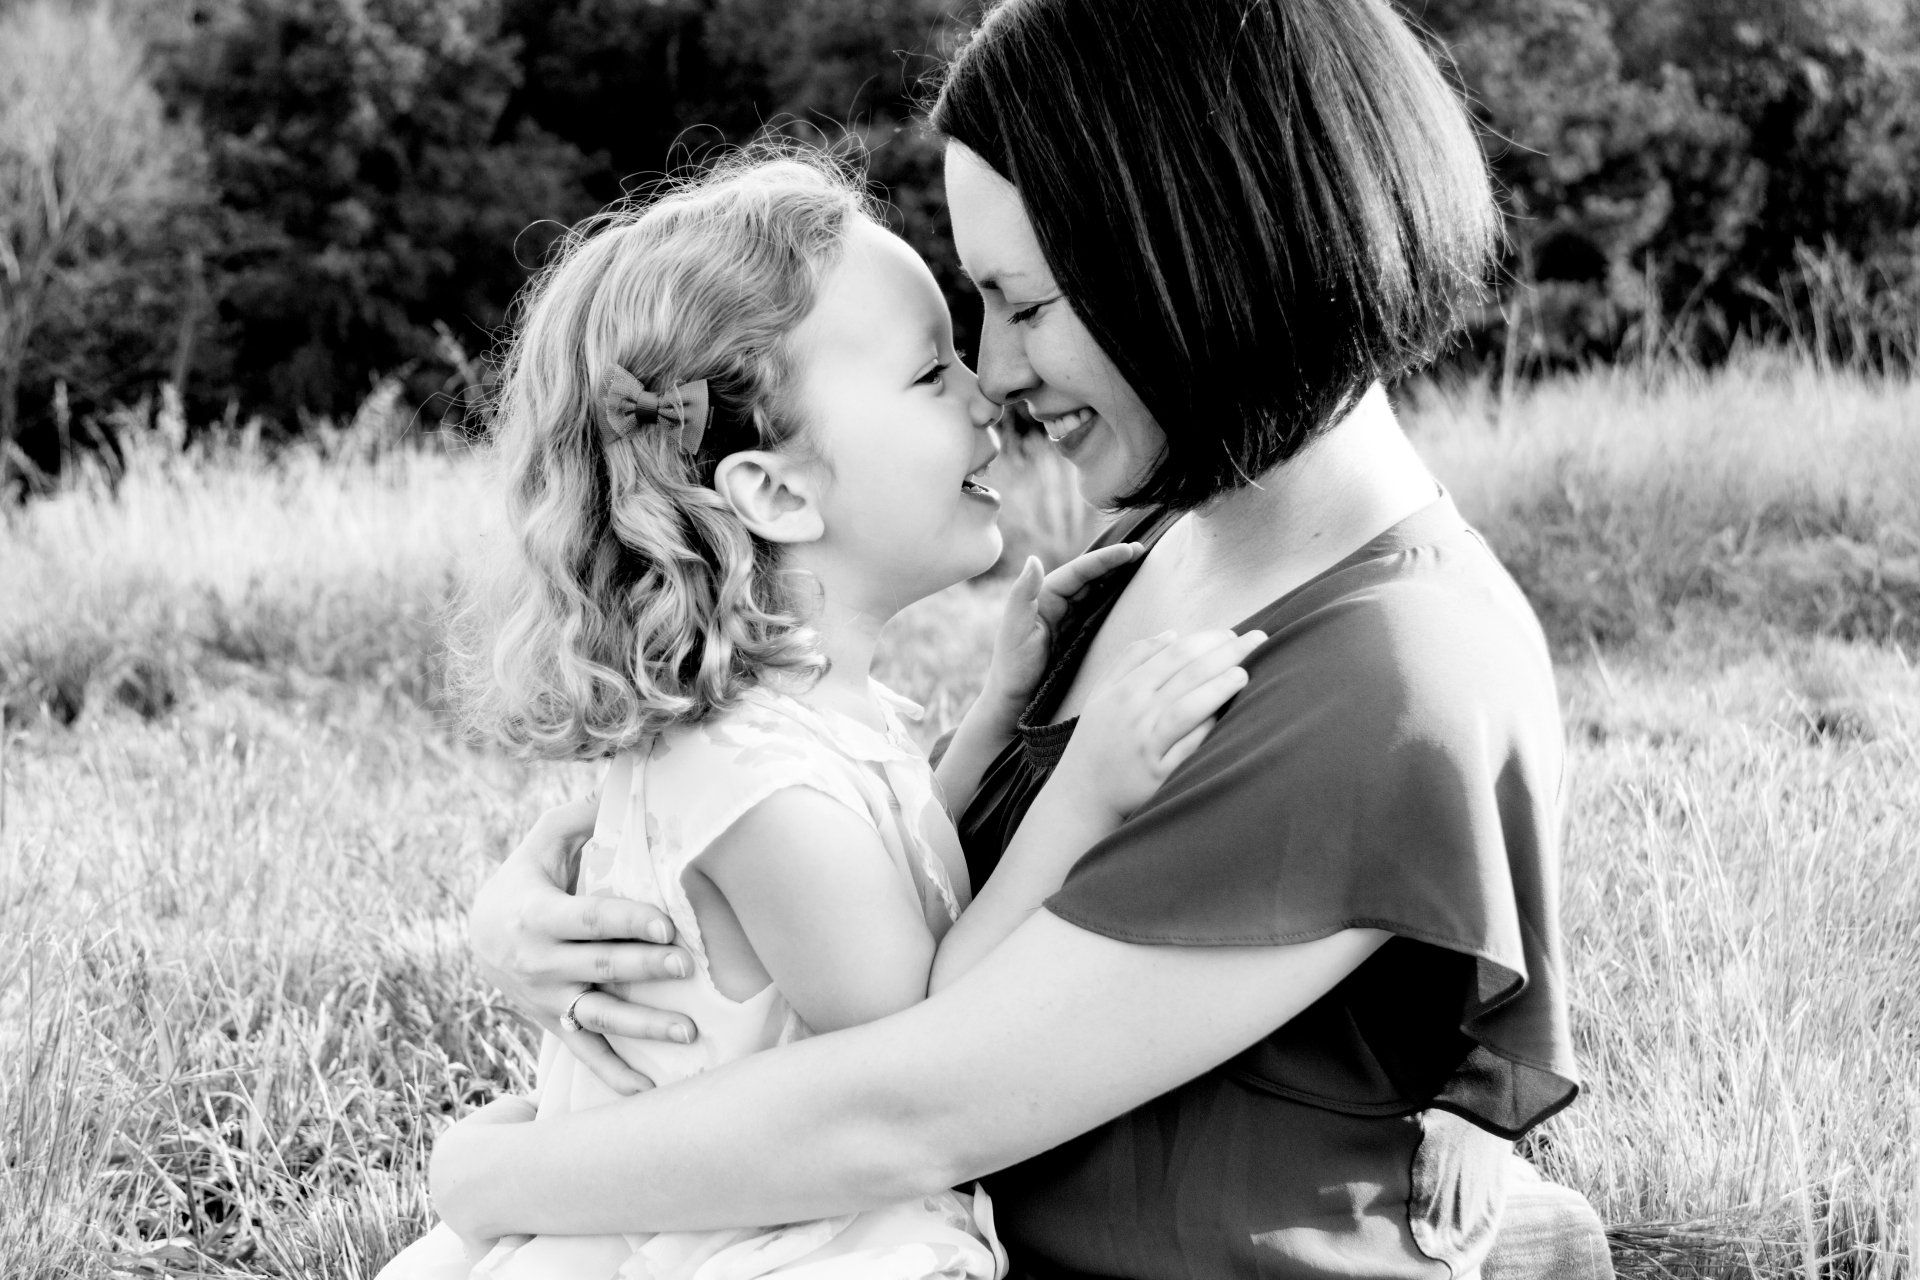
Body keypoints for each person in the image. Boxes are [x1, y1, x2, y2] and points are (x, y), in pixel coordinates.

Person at [426, 1, 1600, 1276]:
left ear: (1196, 255)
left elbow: (912, 1099)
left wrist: (500, 1171)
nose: (996, 372)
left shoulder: (1388, 674)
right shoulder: (1157, 561)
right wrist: (537, 911)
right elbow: (853, 885)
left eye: (1021, 303)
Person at [378, 154, 1261, 1280]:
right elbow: (929, 1021)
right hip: (771, 1246)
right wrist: (1084, 795)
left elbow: (883, 887)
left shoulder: (798, 724)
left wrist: (996, 714)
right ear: (779, 492)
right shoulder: (762, 787)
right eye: (929, 373)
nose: (987, 392)